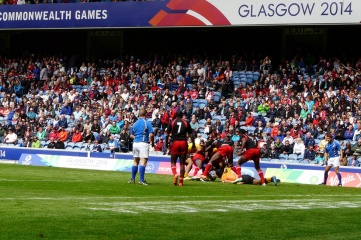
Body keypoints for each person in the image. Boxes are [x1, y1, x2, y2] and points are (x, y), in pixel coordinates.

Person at [166, 110, 193, 186]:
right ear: (182, 115)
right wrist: (192, 144)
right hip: (183, 142)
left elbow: (166, 134)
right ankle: (181, 182)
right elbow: (191, 133)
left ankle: (175, 174)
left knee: (173, 162)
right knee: (182, 163)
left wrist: (166, 143)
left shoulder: (172, 122)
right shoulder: (186, 122)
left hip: (175, 142)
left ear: (175, 115)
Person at [128, 108, 154, 185]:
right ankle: (141, 180)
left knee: (135, 161)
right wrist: (152, 142)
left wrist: (136, 138)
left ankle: (132, 179)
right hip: (143, 143)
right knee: (143, 161)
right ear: (145, 114)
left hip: (135, 143)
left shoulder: (135, 123)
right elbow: (151, 134)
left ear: (138, 114)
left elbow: (131, 135)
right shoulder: (147, 123)